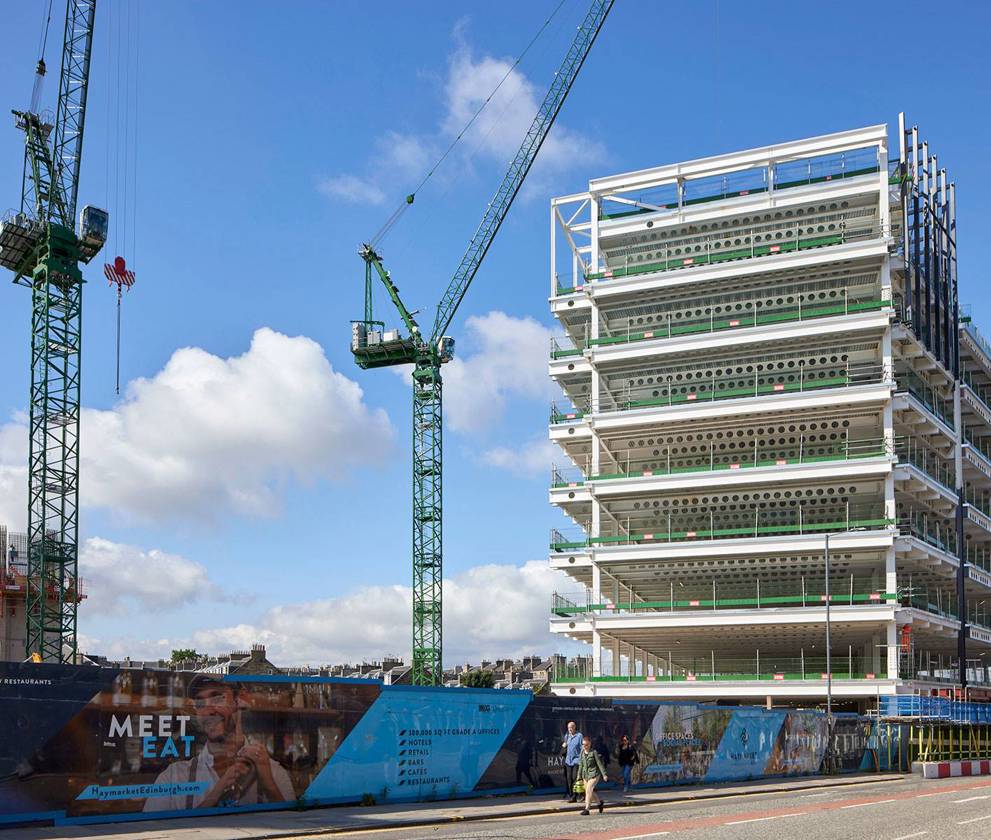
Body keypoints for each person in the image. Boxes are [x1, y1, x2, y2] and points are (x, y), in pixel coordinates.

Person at [143, 676, 294, 811]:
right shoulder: (173, 777)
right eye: (200, 704)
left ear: (238, 702)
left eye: (217, 698)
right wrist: (217, 793)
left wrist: (269, 786)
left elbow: (294, 829)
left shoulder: (274, 772)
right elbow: (152, 831)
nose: (208, 711)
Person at [577, 736, 607, 815]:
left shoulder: (594, 752)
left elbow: (599, 764)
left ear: (590, 744)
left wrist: (604, 775)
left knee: (588, 790)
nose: (585, 746)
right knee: (590, 791)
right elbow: (581, 765)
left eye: (586, 745)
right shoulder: (582, 752)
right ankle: (600, 803)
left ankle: (587, 809)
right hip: (585, 775)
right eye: (583, 745)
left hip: (594, 774)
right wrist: (578, 775)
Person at [561, 720, 583, 802]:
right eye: (568, 728)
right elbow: (565, 746)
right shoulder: (567, 736)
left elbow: (582, 748)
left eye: (571, 727)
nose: (570, 729)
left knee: (575, 778)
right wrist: (564, 745)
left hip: (576, 760)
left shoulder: (579, 736)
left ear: (574, 727)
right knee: (569, 779)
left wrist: (582, 759)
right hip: (568, 760)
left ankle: (579, 794)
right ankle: (572, 796)